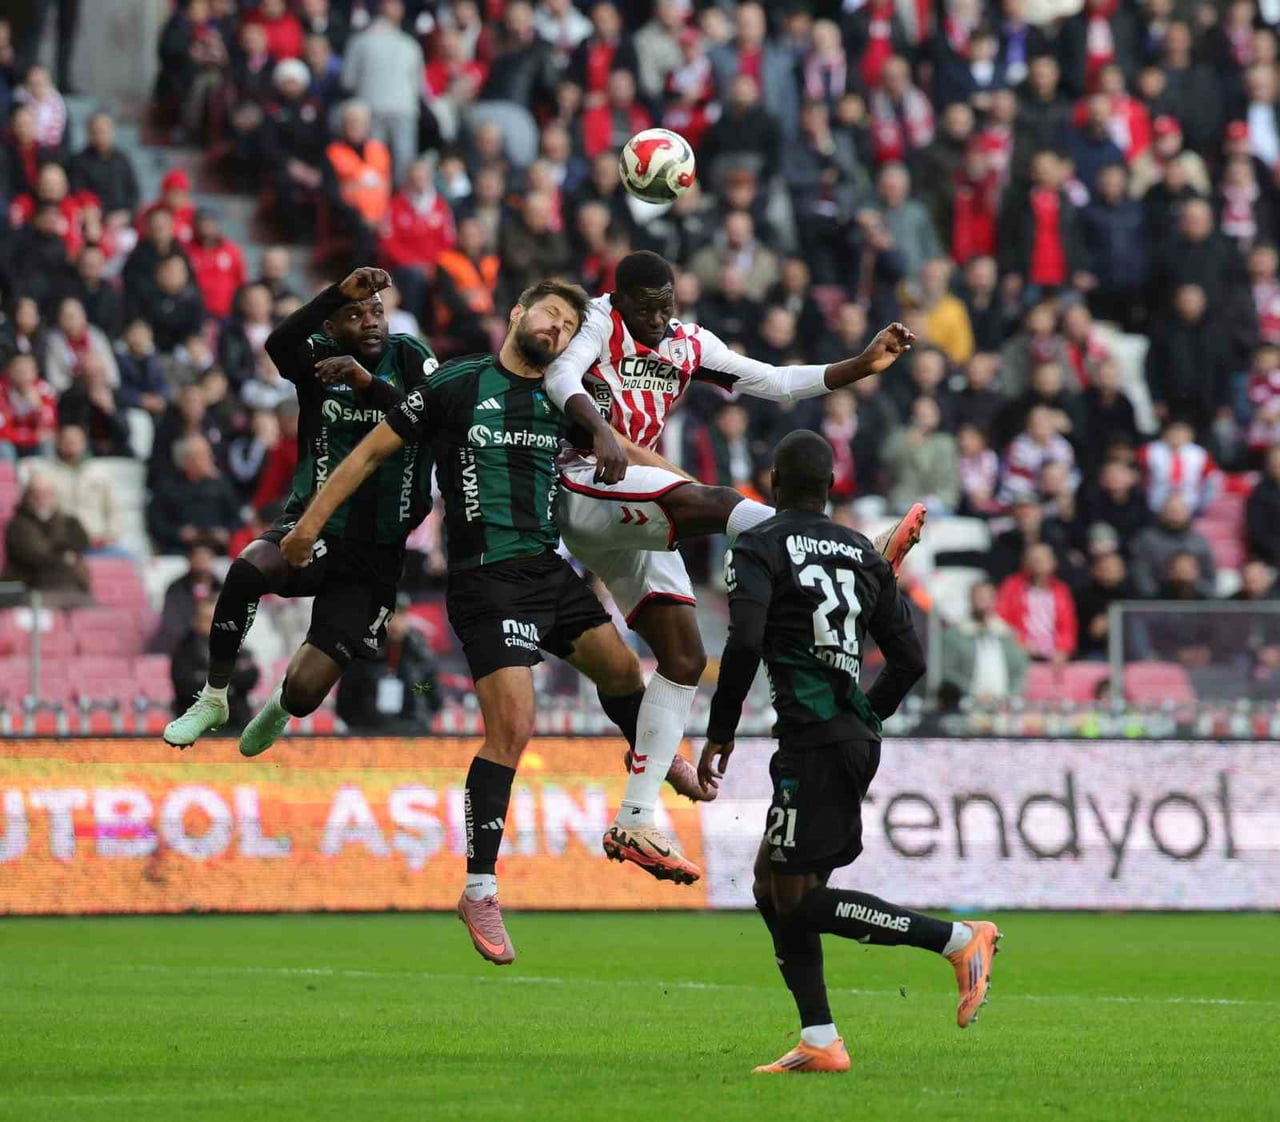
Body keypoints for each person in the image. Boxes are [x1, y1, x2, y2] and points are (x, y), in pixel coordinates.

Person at [279, 279, 651, 965]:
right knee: (514, 728)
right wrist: (307, 526)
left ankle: (647, 797)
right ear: (517, 313)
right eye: (551, 313)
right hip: (485, 578)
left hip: (547, 570)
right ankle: (479, 888)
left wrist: (716, 500)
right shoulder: (456, 384)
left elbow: (631, 458)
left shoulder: (564, 398)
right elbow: (368, 453)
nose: (558, 328)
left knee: (628, 672)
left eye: (571, 325)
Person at [542, 250, 925, 883]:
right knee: (717, 501)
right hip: (582, 483)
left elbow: (772, 381)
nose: (661, 317)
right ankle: (853, 549)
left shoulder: (688, 343)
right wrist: (601, 431)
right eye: (647, 306)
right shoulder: (596, 321)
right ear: (620, 298)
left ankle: (636, 819)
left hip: (629, 512)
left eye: (669, 304)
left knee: (685, 657)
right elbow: (562, 382)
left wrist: (859, 365)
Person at [697, 430, 1000, 1075]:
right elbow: (910, 660)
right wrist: (864, 715)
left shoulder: (758, 543)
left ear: (774, 483)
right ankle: (819, 1039)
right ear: (830, 488)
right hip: (844, 736)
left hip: (814, 741)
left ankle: (957, 941)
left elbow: (746, 640)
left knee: (799, 901)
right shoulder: (862, 551)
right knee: (770, 886)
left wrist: (719, 730)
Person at [162, 268, 437, 755]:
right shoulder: (320, 359)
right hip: (316, 524)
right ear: (330, 329)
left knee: (309, 689)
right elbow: (277, 344)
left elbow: (431, 418)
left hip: (378, 551)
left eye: (376, 311)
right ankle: (214, 697)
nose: (370, 320)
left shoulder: (411, 356)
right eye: (353, 314)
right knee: (247, 569)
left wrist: (367, 382)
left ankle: (282, 707)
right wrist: (334, 291)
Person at [335, 600, 440, 731]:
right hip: (370, 735)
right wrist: (362, 726)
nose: (395, 622)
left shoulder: (420, 656)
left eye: (400, 615)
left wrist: (415, 692)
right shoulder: (363, 655)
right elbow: (345, 699)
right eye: (389, 617)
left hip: (412, 735)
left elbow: (433, 694)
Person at [170, 599, 259, 732]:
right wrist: (228, 682)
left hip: (235, 723)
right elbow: (186, 685)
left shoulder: (237, 646)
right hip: (196, 725)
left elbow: (250, 675)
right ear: (196, 621)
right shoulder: (184, 650)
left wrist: (210, 680)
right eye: (207, 619)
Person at [0, 473, 91, 600]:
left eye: (48, 493)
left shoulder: (68, 521)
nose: (42, 498)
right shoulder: (18, 525)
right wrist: (66, 555)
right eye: (36, 493)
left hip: (71, 587)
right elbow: (38, 555)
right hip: (32, 589)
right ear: (27, 496)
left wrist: (58, 550)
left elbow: (83, 542)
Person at [941, 579, 1029, 698]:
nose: (982, 603)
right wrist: (973, 692)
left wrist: (1011, 694)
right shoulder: (955, 634)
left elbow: (1019, 670)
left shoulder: (1006, 634)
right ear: (970, 600)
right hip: (966, 701)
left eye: (986, 598)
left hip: (1002, 704)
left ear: (994, 600)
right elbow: (947, 671)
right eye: (978, 598)